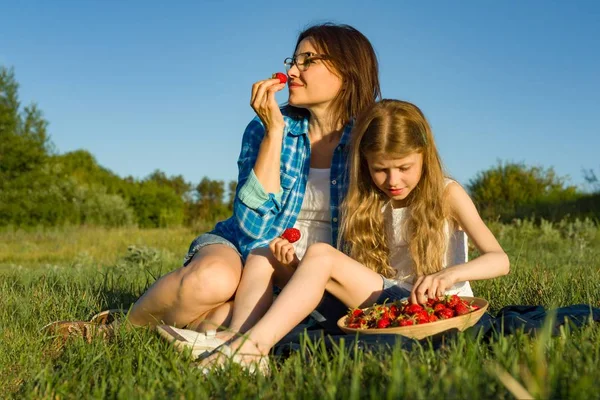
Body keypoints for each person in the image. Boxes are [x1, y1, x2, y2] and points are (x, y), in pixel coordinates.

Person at [44, 23, 381, 344]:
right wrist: (274, 132)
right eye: (293, 60)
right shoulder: (266, 126)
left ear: (347, 71)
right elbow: (253, 228)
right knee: (213, 280)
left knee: (221, 320)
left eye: (308, 61)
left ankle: (190, 321)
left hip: (309, 273)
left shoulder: (371, 138)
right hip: (248, 250)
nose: (292, 71)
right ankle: (113, 331)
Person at [197, 99, 510, 373]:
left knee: (319, 257)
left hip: (443, 310)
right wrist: (293, 266)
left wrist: (450, 274)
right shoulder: (368, 200)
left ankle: (249, 349)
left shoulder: (447, 193)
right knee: (283, 253)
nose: (393, 180)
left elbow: (500, 261)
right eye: (380, 170)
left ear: (425, 156)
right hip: (388, 301)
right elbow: (346, 275)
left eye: (404, 167)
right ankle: (242, 344)